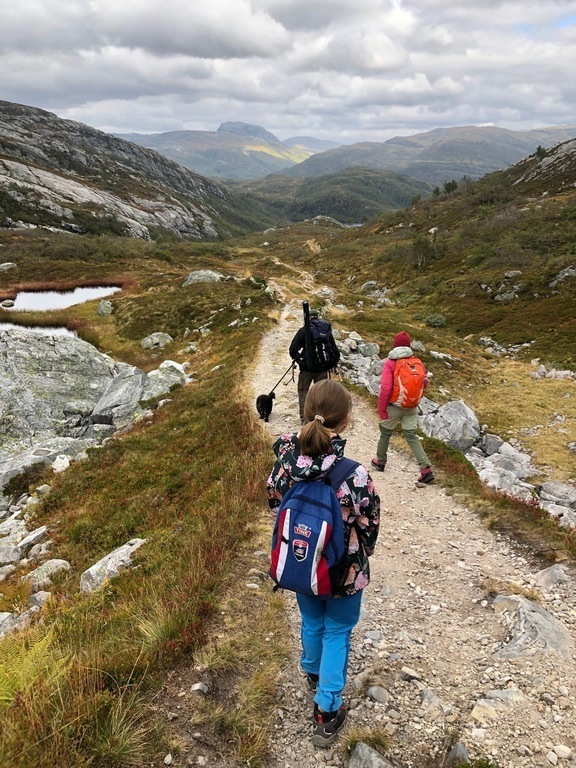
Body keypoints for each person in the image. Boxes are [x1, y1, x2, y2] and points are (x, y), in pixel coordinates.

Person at [267, 379, 380, 747]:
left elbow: (274, 502)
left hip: (301, 565)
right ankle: (327, 709)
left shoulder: (285, 463)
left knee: (312, 620)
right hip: (343, 572)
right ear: (346, 421)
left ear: (306, 412)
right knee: (338, 631)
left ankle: (312, 672)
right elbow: (369, 523)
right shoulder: (355, 474)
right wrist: (361, 555)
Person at [371, 330, 434, 484]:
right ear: (409, 345)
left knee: (385, 433)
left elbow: (385, 388)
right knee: (411, 435)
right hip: (411, 405)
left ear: (395, 345)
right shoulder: (416, 361)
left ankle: (380, 461)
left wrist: (382, 408)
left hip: (394, 406)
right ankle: (425, 469)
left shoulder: (391, 362)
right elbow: (424, 383)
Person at [289, 308, 340, 424]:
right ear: (317, 317)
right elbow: (335, 351)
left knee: (303, 391)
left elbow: (292, 350)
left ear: (307, 318)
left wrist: (301, 361)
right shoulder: (325, 330)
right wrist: (330, 365)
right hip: (323, 368)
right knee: (321, 393)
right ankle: (321, 418)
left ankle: (305, 418)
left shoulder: (304, 331)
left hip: (307, 369)